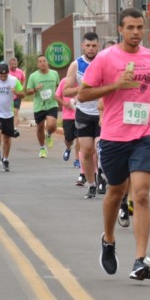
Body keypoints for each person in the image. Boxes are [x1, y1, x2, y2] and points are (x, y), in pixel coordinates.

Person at [78, 8, 150, 281]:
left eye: (140, 28)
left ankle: (141, 259)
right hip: (114, 136)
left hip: (144, 134)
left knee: (140, 194)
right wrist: (115, 85)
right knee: (116, 192)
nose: (135, 33)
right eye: (130, 28)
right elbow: (83, 94)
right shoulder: (106, 58)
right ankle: (108, 239)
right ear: (120, 29)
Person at [64, 32, 105, 197]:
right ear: (82, 46)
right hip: (83, 112)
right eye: (88, 45)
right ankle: (91, 183)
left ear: (98, 46)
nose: (91, 49)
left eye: (94, 45)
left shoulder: (104, 62)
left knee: (100, 149)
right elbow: (66, 90)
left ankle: (102, 178)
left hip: (103, 112)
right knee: (87, 151)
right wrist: (82, 90)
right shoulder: (76, 65)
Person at [0, 62, 26, 171]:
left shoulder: (13, 80)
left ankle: (5, 159)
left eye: (5, 76)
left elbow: (23, 94)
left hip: (8, 114)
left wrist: (16, 92)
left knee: (7, 138)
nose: (3, 78)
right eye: (1, 76)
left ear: (8, 73)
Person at [25, 54, 60, 158]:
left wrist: (58, 94)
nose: (42, 63)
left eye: (44, 61)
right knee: (40, 127)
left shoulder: (54, 74)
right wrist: (36, 89)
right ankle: (42, 148)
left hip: (52, 104)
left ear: (47, 62)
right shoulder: (33, 76)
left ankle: (48, 134)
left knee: (52, 125)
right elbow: (28, 91)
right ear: (37, 64)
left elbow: (58, 86)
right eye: (40, 62)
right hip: (39, 106)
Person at [53, 76, 79, 165]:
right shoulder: (65, 81)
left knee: (80, 138)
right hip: (68, 116)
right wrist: (64, 103)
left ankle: (77, 160)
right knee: (69, 139)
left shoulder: (83, 80)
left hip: (81, 115)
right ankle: (68, 148)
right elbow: (56, 96)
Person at [8, 56, 25, 136]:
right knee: (9, 112)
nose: (13, 65)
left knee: (15, 111)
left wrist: (21, 89)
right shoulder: (6, 72)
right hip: (8, 95)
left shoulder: (20, 72)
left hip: (17, 95)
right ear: (9, 64)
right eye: (12, 64)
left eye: (15, 64)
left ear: (17, 64)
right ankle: (9, 126)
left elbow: (22, 81)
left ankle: (15, 128)